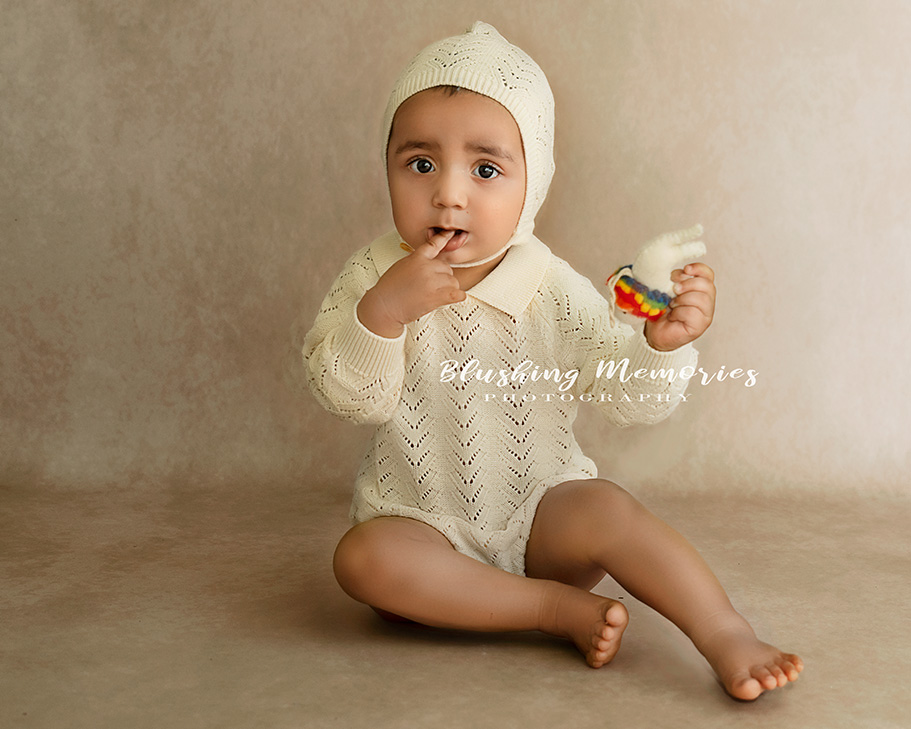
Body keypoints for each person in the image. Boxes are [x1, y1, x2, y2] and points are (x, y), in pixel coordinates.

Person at [302, 21, 802, 701]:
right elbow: (348, 395)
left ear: (531, 183)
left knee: (608, 508)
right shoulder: (371, 275)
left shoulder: (551, 287)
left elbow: (629, 400)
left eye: (485, 169)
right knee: (362, 559)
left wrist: (660, 347)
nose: (449, 194)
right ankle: (550, 610)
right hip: (421, 527)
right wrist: (382, 315)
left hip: (543, 523)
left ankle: (723, 630)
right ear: (387, 164)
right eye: (420, 163)